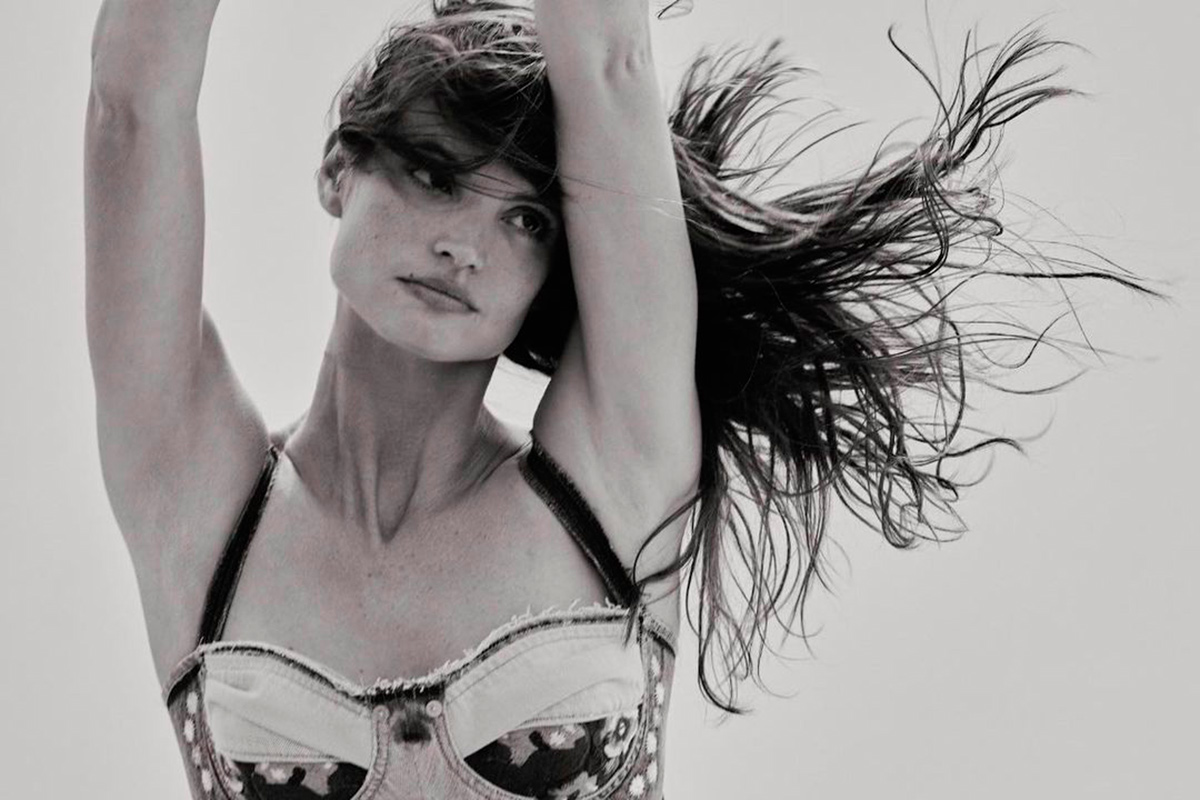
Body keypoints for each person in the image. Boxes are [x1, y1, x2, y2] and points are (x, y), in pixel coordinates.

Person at [84, 1, 1161, 797]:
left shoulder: (614, 474)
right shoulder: (199, 501)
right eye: (435, 174)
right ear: (338, 172)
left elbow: (606, 59)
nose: (465, 244)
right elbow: (131, 106)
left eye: (527, 220)